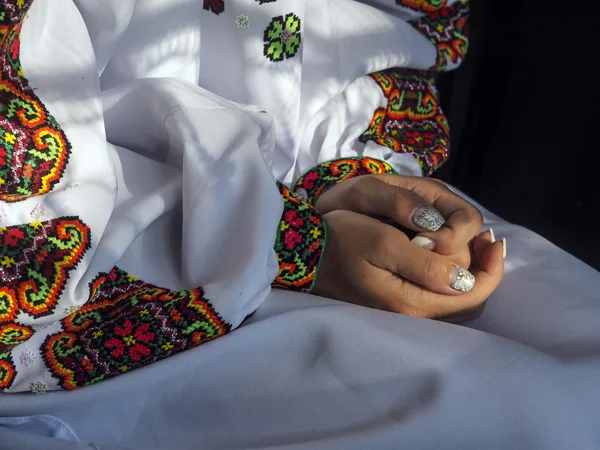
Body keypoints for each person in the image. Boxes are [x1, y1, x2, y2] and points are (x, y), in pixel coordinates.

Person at [0, 0, 599, 448]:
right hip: (110, 282)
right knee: (535, 418)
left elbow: (372, 27)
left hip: (311, 194)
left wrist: (359, 178)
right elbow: (27, 166)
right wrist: (291, 241)